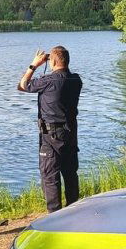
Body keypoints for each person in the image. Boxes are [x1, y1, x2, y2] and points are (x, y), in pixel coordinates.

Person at [17, 46, 83, 212]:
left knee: (50, 175)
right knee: (70, 173)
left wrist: (34, 65)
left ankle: (54, 215)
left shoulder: (47, 81)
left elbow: (22, 85)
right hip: (70, 133)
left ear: (52, 61)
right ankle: (73, 210)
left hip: (50, 135)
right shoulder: (76, 80)